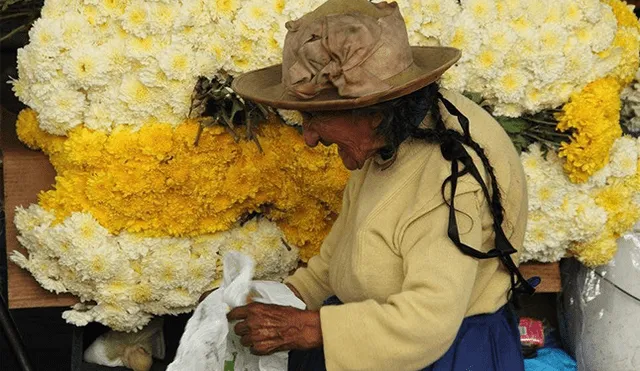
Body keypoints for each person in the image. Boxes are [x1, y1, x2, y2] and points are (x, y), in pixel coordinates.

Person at [227, 1, 536, 370]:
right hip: (375, 338)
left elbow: (428, 319)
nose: (308, 137)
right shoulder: (391, 134)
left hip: (444, 356)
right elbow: (342, 253)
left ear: (372, 110)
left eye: (314, 118)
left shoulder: (451, 174)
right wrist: (269, 299)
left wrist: (311, 329)